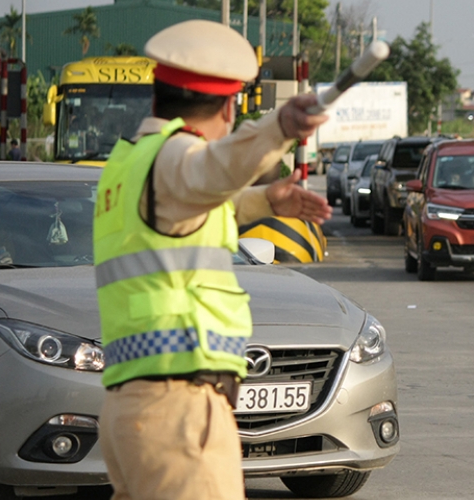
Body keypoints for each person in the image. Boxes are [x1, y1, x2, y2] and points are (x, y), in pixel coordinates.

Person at [93, 20, 331, 500]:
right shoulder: (177, 156)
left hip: (130, 408)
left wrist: (265, 200)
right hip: (178, 409)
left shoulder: (129, 164)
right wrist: (279, 127)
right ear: (227, 107)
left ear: (157, 94)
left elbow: (185, 210)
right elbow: (211, 168)